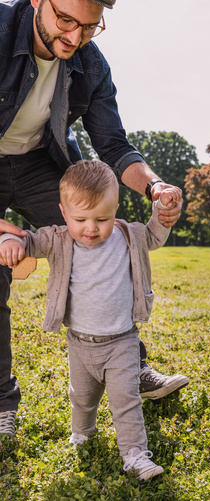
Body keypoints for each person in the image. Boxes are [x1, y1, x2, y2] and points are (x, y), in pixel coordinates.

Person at [0, 0, 189, 437]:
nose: (73, 37)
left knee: (100, 238)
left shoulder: (90, 63)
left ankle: (131, 367)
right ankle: (1, 404)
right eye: (65, 20)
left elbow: (114, 145)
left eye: (88, 27)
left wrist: (156, 187)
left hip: (39, 163)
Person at [0, 160, 180, 480]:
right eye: (80, 219)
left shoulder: (127, 235)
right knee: (82, 399)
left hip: (122, 340)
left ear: (116, 209)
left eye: (102, 218)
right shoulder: (57, 238)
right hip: (80, 343)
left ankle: (135, 455)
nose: (91, 228)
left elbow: (153, 235)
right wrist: (9, 241)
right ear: (63, 212)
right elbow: (29, 241)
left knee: (126, 402)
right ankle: (82, 434)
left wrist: (162, 213)